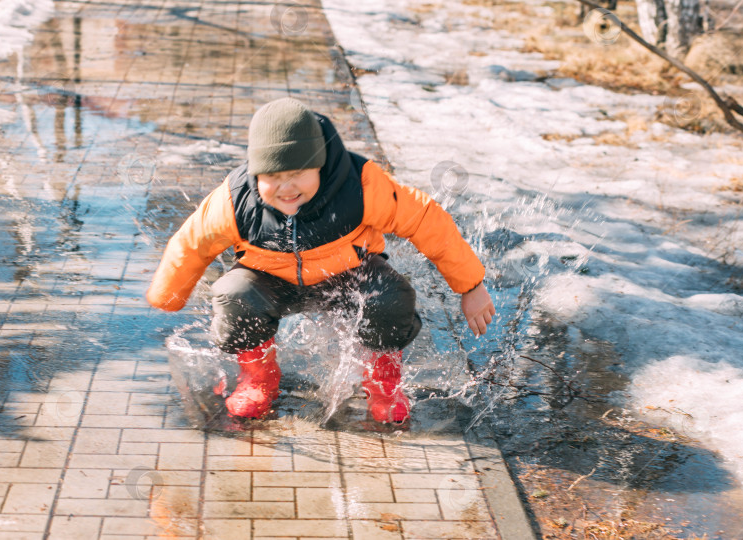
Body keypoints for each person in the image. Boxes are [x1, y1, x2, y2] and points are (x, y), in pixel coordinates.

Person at [146, 97, 495, 423]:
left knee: (390, 296)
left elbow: (426, 221)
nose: (286, 188)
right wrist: (168, 295)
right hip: (270, 280)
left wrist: (470, 285)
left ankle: (383, 382)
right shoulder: (236, 200)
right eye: (273, 177)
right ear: (256, 173)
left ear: (320, 165)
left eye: (298, 174)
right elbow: (192, 243)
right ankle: (258, 377)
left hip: (347, 274)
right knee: (234, 295)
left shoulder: (359, 185)